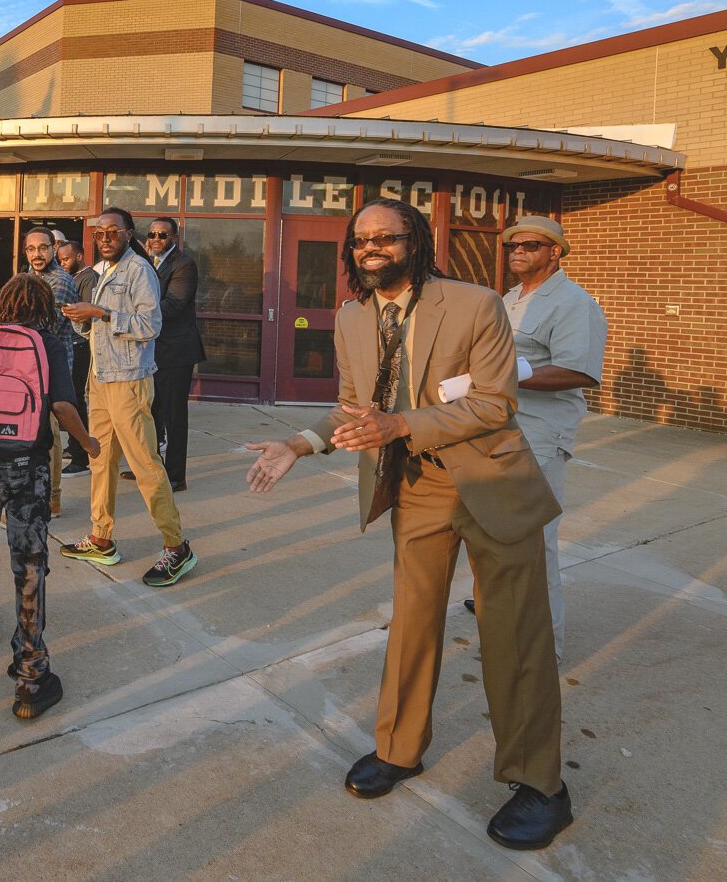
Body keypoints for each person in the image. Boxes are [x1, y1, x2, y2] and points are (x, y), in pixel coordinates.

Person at [243, 198, 572, 851]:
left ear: (415, 241)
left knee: (515, 634)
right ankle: (398, 747)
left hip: (491, 482)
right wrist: (300, 444)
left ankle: (541, 784)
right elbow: (351, 406)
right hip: (416, 486)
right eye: (360, 239)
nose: (371, 248)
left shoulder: (474, 304)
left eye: (385, 237)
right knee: (412, 620)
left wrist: (402, 424)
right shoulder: (350, 316)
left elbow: (494, 401)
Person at [0, 274, 98, 720]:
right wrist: (88, 444)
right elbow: (64, 407)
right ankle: (31, 674)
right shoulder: (47, 343)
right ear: (45, 306)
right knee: (30, 559)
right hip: (26, 462)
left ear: (6, 303)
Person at [473, 215, 606, 662]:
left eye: (530, 245)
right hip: (497, 431)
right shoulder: (509, 299)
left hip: (540, 437)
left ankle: (544, 647)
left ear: (555, 252)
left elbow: (579, 370)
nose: (518, 251)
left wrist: (505, 375)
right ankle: (502, 609)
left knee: (535, 542)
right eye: (512, 245)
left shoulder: (573, 302)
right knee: (496, 530)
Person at [58, 209, 193, 587]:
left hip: (129, 383)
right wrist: (79, 317)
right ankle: (101, 537)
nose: (104, 237)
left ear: (127, 234)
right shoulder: (104, 273)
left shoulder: (139, 270)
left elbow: (151, 325)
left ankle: (176, 546)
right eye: (99, 232)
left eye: (112, 231)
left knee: (146, 465)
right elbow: (96, 331)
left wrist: (100, 311)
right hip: (100, 380)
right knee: (100, 460)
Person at [139, 217, 205, 493]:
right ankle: (151, 469)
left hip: (176, 351)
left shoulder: (183, 264)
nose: (156, 239)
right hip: (153, 350)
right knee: (150, 411)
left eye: (162, 235)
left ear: (174, 238)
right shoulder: (147, 262)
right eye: (152, 234)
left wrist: (136, 315)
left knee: (174, 416)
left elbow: (174, 304)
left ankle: (176, 476)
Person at [23, 228, 79, 516]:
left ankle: (52, 498)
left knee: (50, 432)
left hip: (52, 366)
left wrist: (11, 316)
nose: (37, 254)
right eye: (31, 249)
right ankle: (33, 492)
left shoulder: (61, 280)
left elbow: (44, 324)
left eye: (43, 248)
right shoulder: (27, 279)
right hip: (27, 366)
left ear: (53, 249)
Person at [57, 238, 96, 475]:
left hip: (80, 345)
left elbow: (88, 312)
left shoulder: (88, 278)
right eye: (60, 259)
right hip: (68, 344)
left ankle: (81, 457)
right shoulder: (71, 277)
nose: (62, 263)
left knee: (75, 400)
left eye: (66, 259)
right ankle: (74, 445)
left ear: (79, 256)